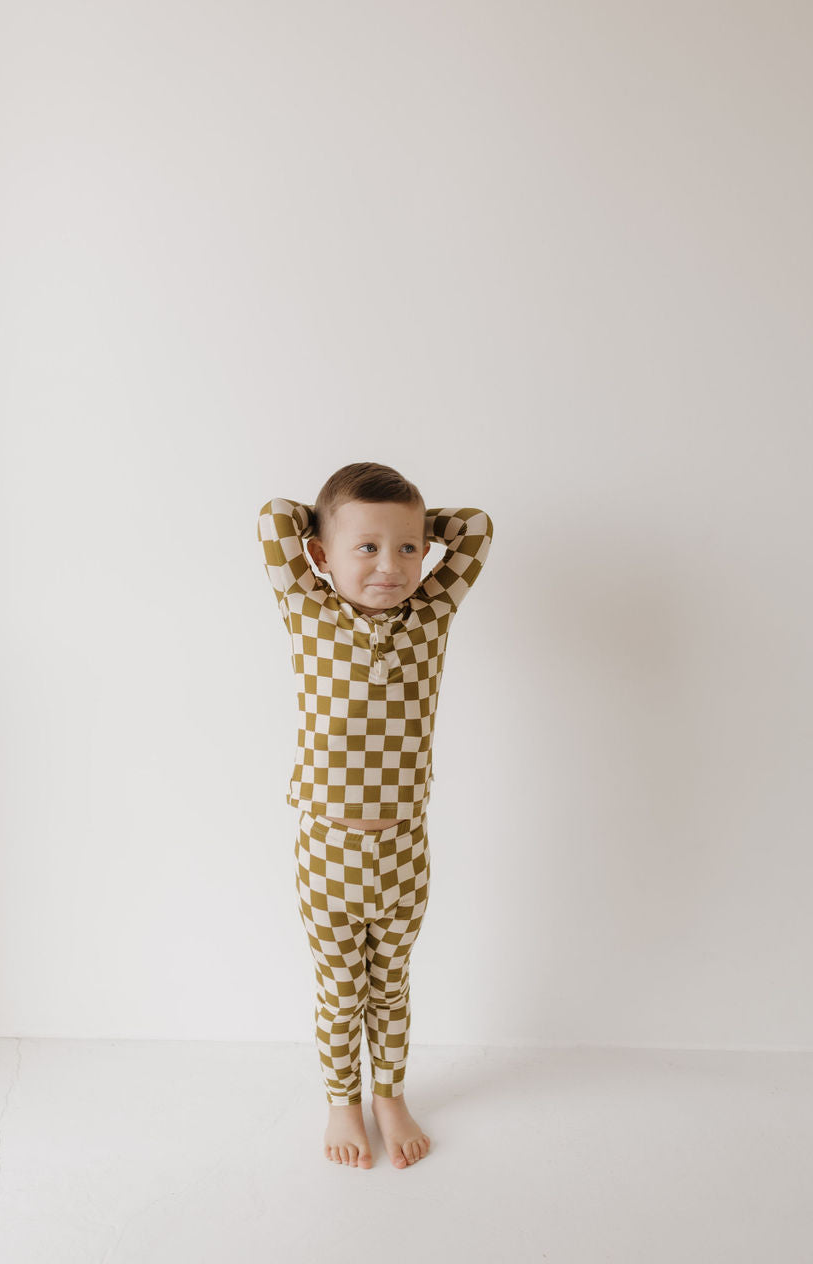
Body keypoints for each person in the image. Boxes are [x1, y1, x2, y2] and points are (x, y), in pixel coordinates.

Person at [257, 460, 494, 1170]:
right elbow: (273, 518)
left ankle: (388, 1094)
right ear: (320, 555)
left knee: (391, 987)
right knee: (341, 991)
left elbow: (476, 528)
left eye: (408, 547)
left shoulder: (431, 612)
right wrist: (330, 521)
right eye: (367, 547)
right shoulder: (308, 607)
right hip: (328, 850)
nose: (390, 565)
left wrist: (415, 526)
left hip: (403, 850)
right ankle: (343, 1100)